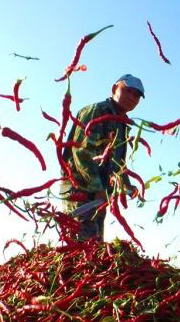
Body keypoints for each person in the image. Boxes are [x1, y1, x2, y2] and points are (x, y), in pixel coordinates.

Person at [60, 74, 144, 241]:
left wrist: (126, 186)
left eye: (136, 95)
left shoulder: (121, 124)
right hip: (81, 189)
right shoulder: (96, 111)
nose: (132, 97)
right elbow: (82, 152)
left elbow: (116, 162)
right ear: (114, 89)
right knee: (83, 246)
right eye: (127, 91)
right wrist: (97, 187)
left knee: (94, 247)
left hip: (99, 194)